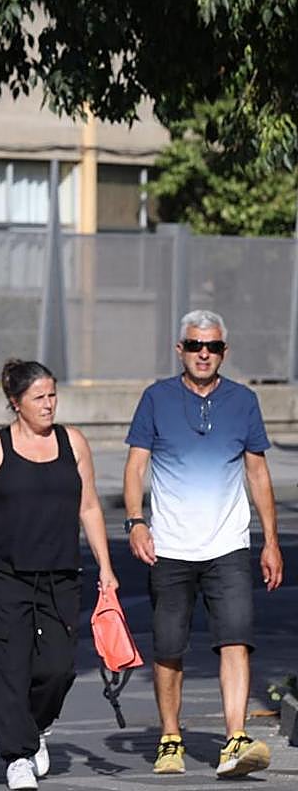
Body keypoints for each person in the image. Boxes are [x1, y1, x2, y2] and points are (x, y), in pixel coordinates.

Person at [123, 309, 284, 778]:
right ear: (181, 350)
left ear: (223, 352)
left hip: (228, 547)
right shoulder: (156, 398)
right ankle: (170, 737)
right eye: (195, 345)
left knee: (236, 641)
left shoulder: (243, 401)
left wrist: (270, 541)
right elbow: (135, 467)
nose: (203, 354)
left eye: (212, 346)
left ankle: (235, 738)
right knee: (169, 648)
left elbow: (258, 473)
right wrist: (136, 522)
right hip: (170, 548)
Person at [0, 359, 118, 791]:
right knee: (9, 667)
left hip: (61, 573)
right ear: (15, 402)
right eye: (38, 397)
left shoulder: (73, 443)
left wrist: (106, 567)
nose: (48, 404)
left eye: (52, 395)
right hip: (5, 575)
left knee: (57, 669)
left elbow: (89, 507)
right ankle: (18, 756)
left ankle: (35, 726)